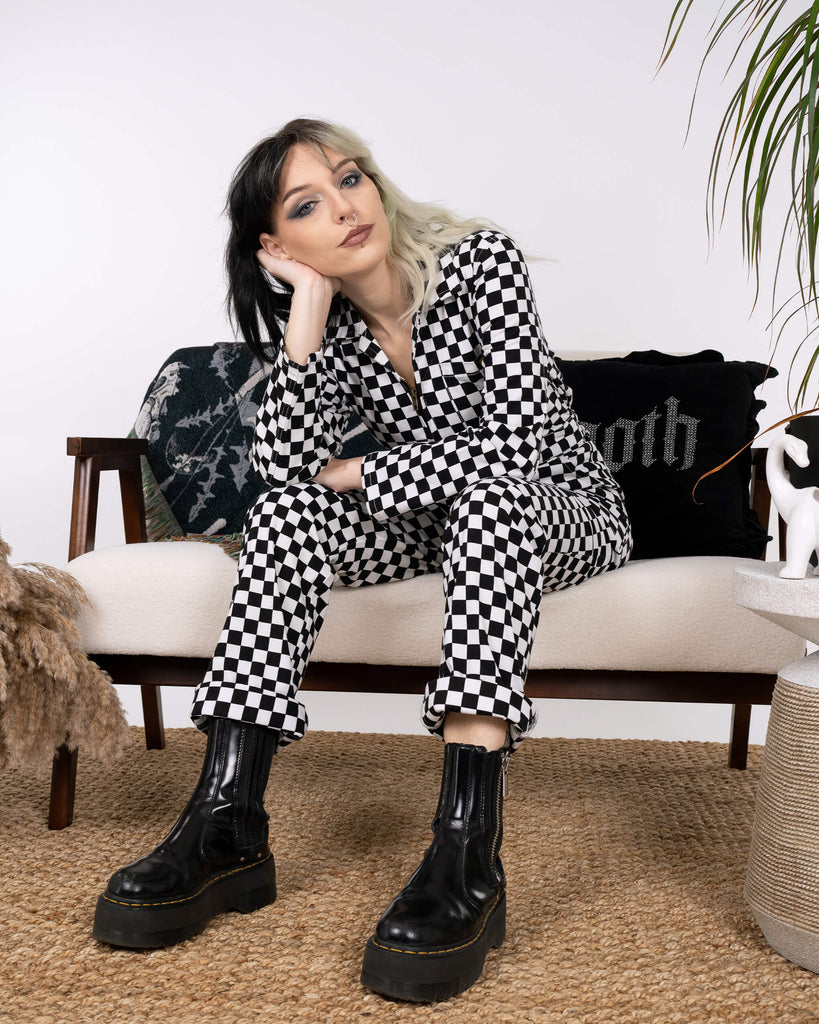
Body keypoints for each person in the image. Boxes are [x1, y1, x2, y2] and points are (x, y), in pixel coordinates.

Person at [92, 118, 633, 1002]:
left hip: (557, 509)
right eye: (307, 205)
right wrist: (307, 311)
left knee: (490, 499)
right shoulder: (334, 325)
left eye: (350, 179)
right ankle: (227, 821)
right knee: (289, 514)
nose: (345, 208)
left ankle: (467, 849)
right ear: (275, 245)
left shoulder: (479, 263)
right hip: (429, 520)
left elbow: (517, 451)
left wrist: (365, 472)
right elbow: (283, 473)